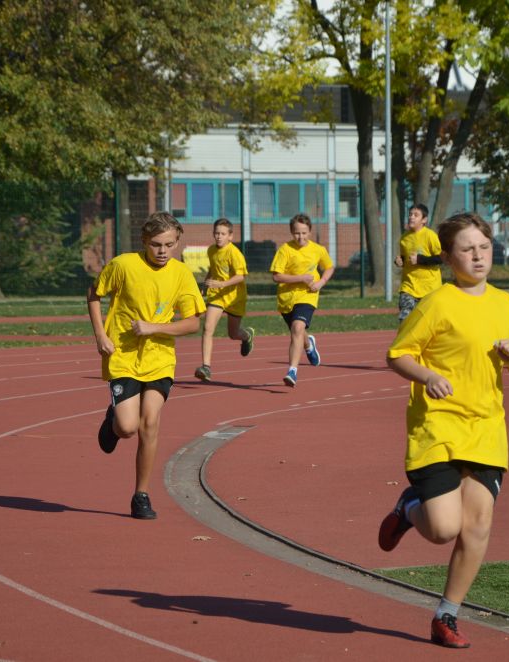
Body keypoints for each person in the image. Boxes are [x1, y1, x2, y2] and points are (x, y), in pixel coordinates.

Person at [378, 211, 509, 649]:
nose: (478, 255)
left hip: (486, 426)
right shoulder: (438, 303)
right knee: (444, 528)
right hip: (439, 425)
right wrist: (427, 377)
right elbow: (397, 355)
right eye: (467, 249)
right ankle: (409, 507)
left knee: (478, 526)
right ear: (449, 258)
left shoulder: (506, 305)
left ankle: (447, 614)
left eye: (483, 246)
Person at [87, 211, 206, 520]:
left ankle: (141, 494)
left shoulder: (181, 274)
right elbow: (94, 293)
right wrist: (100, 334)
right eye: (156, 244)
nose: (163, 251)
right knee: (127, 428)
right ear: (144, 241)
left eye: (169, 244)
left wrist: (156, 328)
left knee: (149, 423)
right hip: (123, 356)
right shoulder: (123, 265)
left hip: (160, 359)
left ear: (178, 242)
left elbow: (193, 322)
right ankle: (113, 417)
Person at [269, 213, 335, 387]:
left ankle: (292, 371)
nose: (301, 237)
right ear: (292, 232)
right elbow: (276, 277)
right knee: (298, 331)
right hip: (286, 299)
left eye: (304, 233)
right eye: (297, 233)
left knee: (297, 327)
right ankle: (309, 345)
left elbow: (329, 267)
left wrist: (321, 282)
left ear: (310, 232)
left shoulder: (318, 250)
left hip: (308, 295)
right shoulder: (285, 250)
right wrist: (300, 278)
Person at [194, 218, 255, 382]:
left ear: (230, 236)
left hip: (235, 297)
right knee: (207, 328)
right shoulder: (211, 250)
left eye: (222, 234)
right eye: (216, 233)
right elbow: (213, 269)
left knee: (233, 334)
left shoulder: (235, 253)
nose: (219, 236)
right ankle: (206, 367)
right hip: (217, 296)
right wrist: (205, 285)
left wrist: (222, 283)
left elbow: (240, 277)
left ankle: (247, 336)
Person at [394, 203, 443, 323]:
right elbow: (406, 258)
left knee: (427, 323)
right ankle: (405, 339)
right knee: (405, 317)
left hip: (430, 288)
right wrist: (399, 261)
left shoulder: (430, 236)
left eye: (416, 215)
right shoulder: (404, 237)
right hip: (409, 286)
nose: (411, 217)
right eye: (410, 214)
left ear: (424, 220)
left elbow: (441, 258)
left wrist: (420, 259)